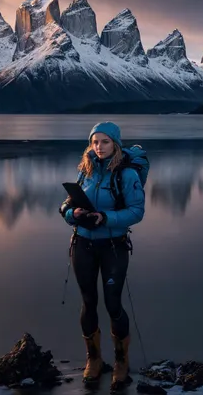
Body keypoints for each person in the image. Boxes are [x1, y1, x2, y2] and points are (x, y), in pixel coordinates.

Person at [59, 121, 146, 390]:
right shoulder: (86, 170)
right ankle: (93, 359)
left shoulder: (127, 175)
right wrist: (73, 214)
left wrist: (105, 218)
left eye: (105, 142)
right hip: (83, 245)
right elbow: (66, 206)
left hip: (113, 247)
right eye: (95, 142)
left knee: (113, 303)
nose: (98, 147)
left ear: (115, 144)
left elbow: (136, 212)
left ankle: (121, 360)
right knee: (88, 301)